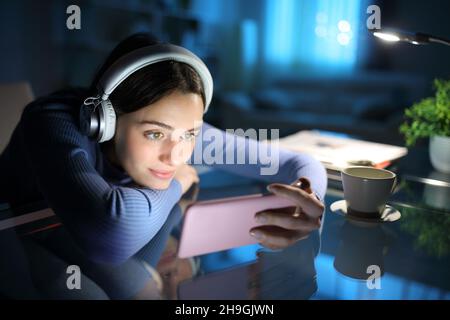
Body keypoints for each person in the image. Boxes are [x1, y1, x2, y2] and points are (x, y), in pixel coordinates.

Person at [0, 33, 327, 299]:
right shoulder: (53, 121)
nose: (175, 155)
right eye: (155, 133)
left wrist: (306, 197)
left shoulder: (181, 131)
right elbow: (110, 234)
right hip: (18, 224)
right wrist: (178, 184)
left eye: (190, 133)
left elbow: (298, 162)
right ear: (107, 121)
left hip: (89, 235)